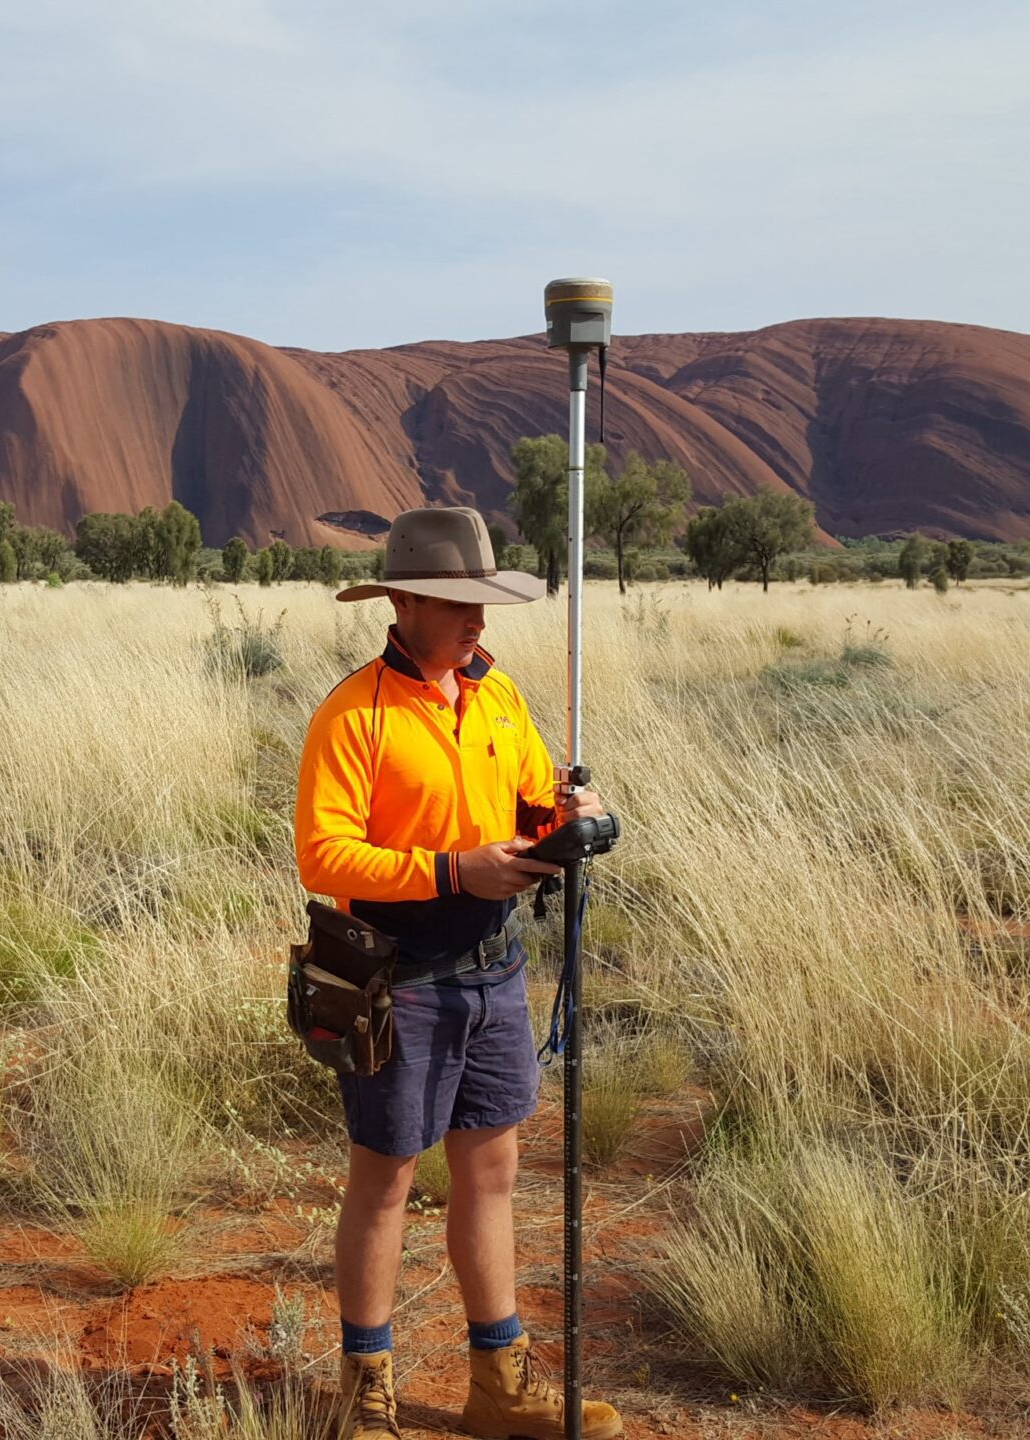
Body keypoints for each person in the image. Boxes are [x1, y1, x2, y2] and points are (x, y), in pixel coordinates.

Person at [293, 506, 623, 1440]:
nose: (476, 622)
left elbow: (530, 792)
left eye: (484, 603)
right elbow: (324, 858)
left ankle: (499, 1385)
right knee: (385, 1178)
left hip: (495, 971)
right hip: (399, 981)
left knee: (492, 1173)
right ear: (402, 600)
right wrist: (450, 869)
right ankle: (366, 1397)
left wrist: (569, 810)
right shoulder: (354, 713)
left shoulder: (500, 695)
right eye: (454, 603)